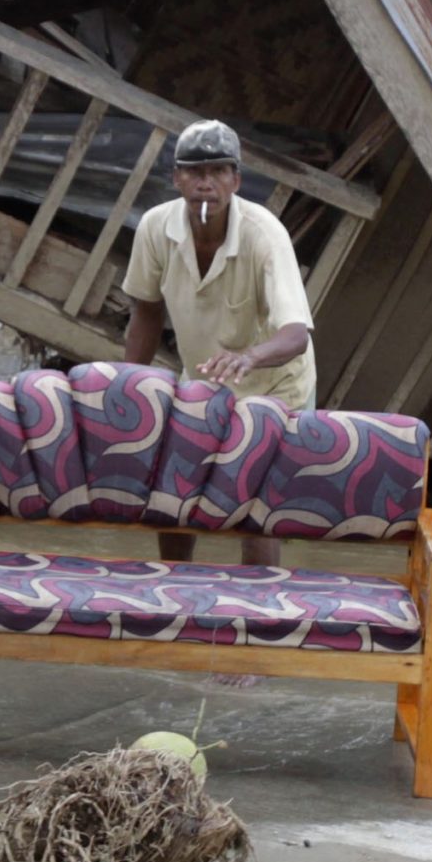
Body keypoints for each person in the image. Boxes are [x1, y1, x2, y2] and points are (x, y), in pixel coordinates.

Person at [121, 119, 314, 568]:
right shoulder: (155, 228)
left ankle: (259, 606)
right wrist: (127, 385)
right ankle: (172, 588)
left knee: (255, 505)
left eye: (218, 171)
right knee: (174, 492)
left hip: (274, 386)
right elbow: (146, 311)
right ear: (176, 179)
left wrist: (250, 357)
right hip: (205, 382)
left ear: (236, 180)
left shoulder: (264, 235)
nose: (205, 182)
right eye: (194, 171)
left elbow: (296, 335)